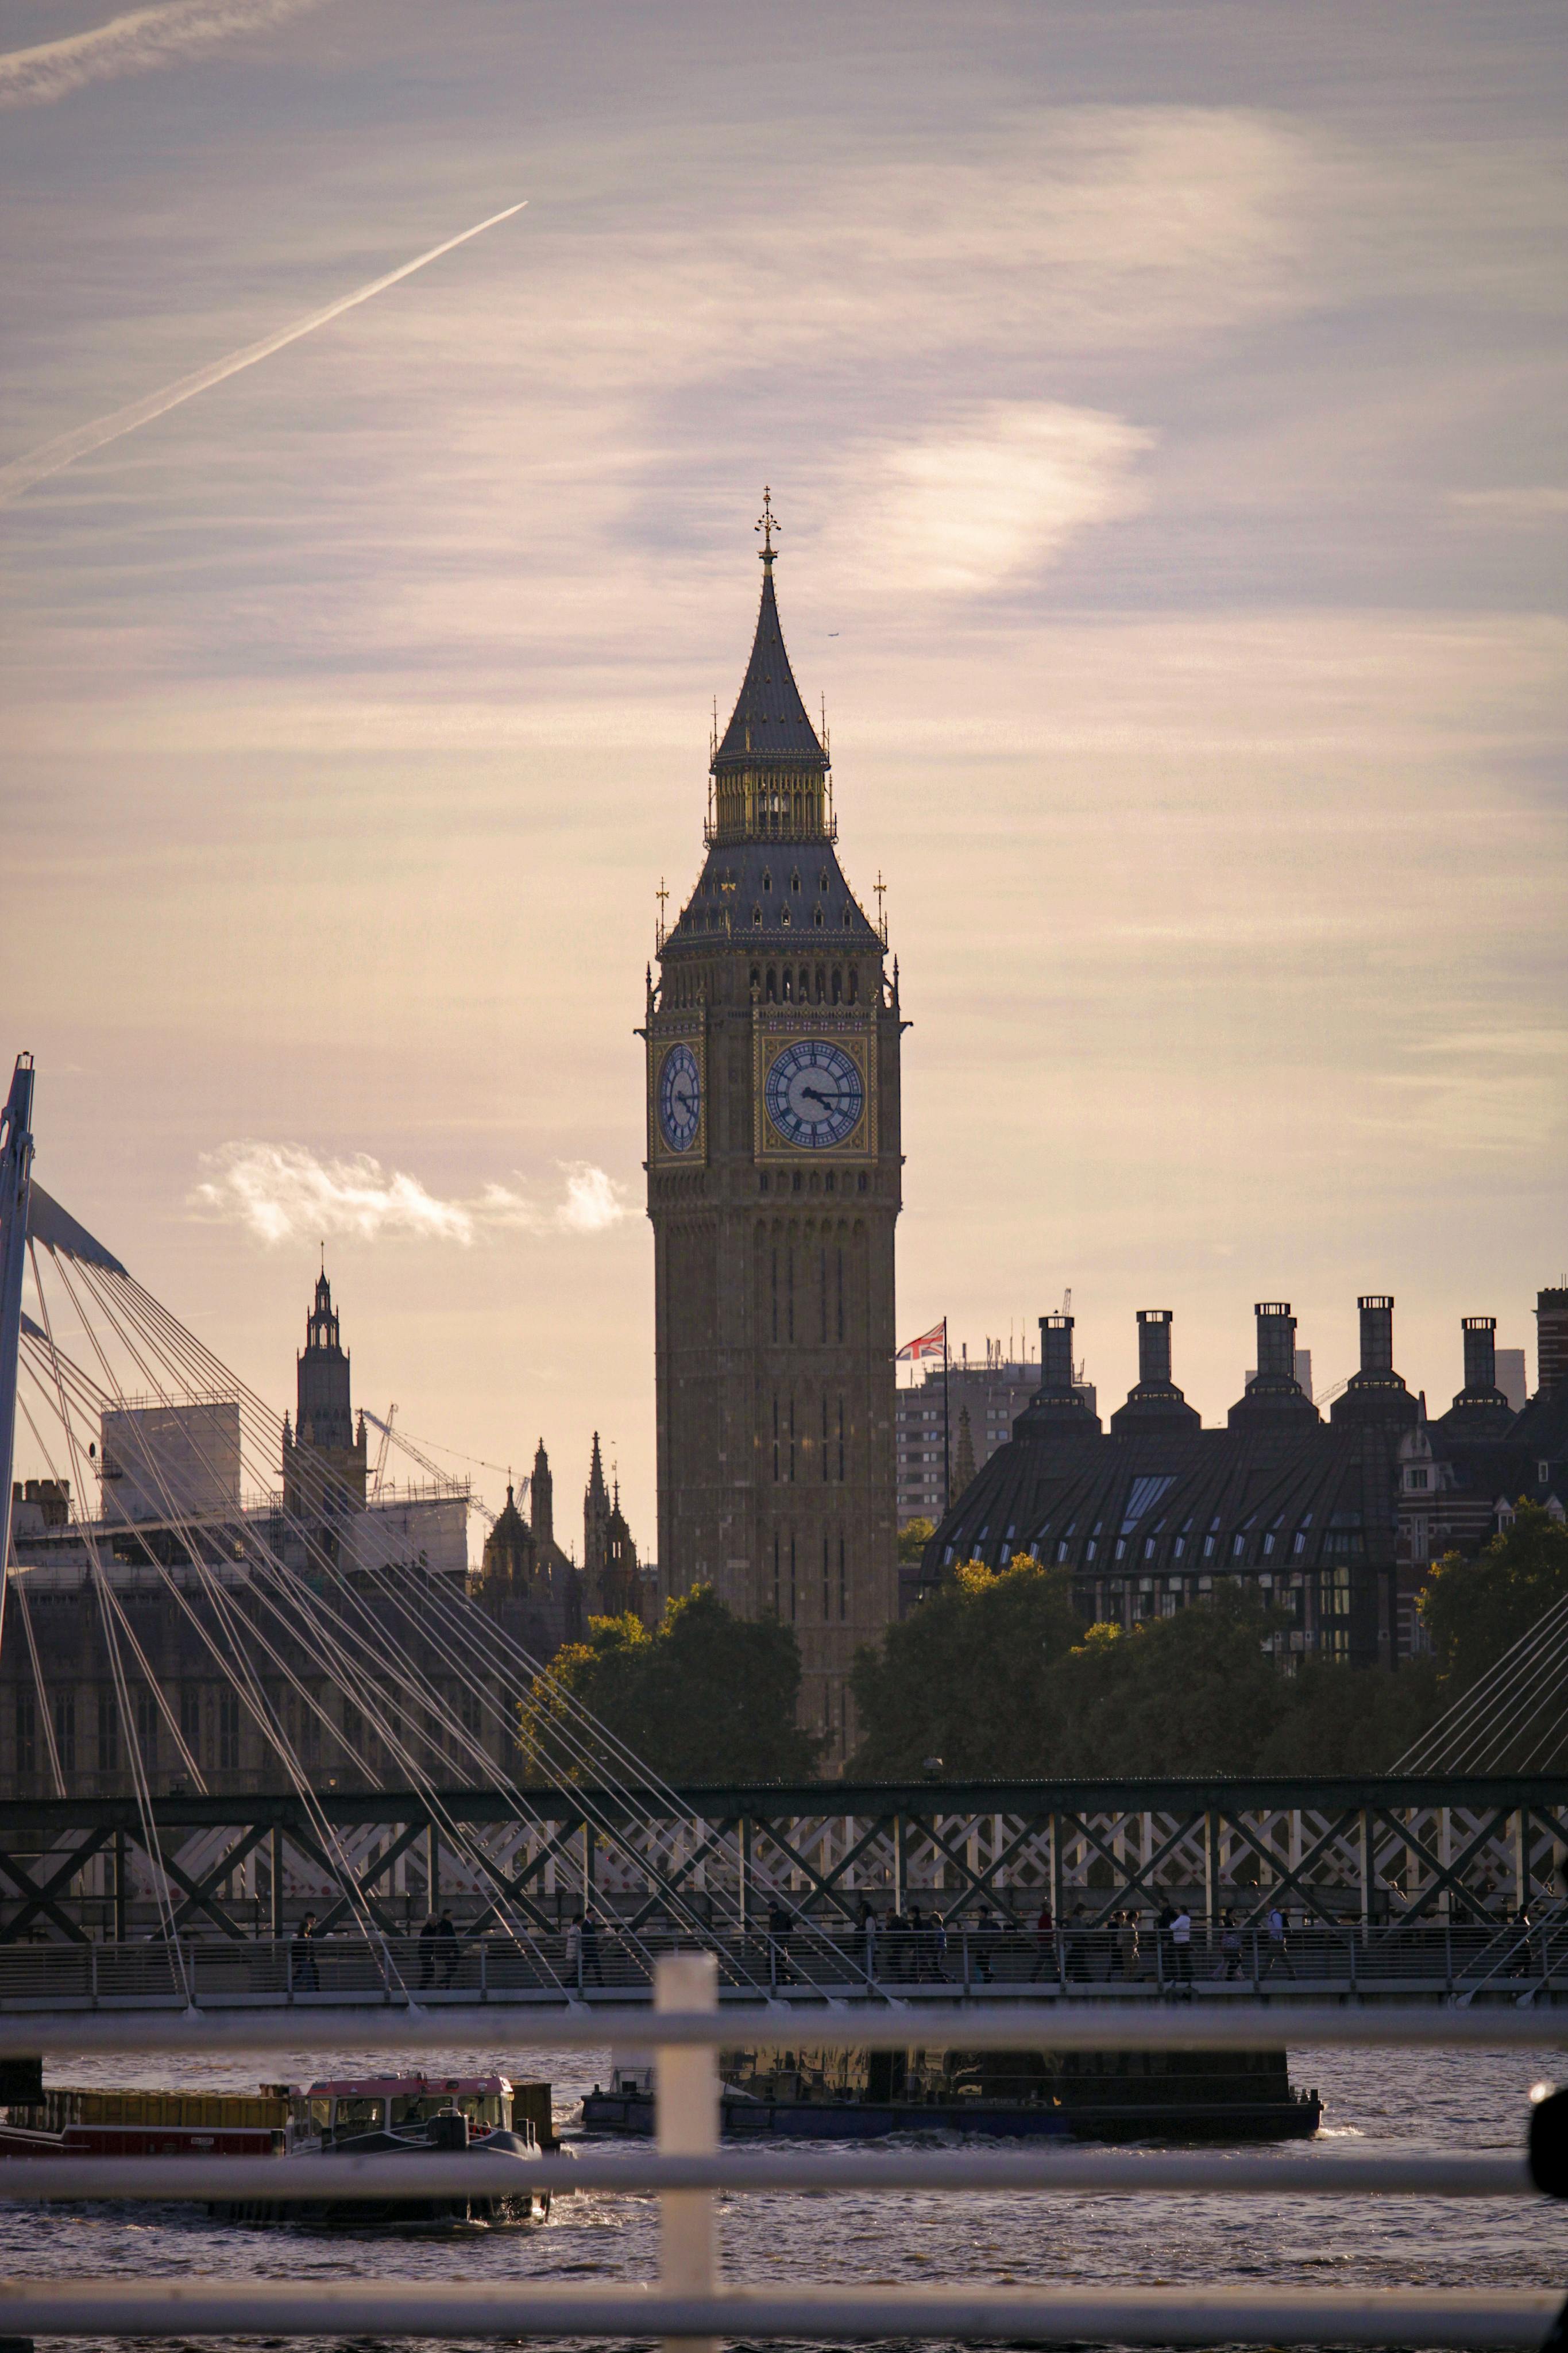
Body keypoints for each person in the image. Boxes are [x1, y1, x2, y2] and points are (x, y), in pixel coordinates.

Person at [1262, 1902, 1294, 1979]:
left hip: (1276, 1941)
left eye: (1266, 1906)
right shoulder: (1274, 1915)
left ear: (1271, 1906)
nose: (1265, 1908)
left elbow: (1279, 1928)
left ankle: (1260, 1977)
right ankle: (1293, 1975)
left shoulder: (1275, 1915)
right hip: (1279, 1941)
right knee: (1285, 1959)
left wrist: (1271, 1932)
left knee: (1268, 1960)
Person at [291, 1911, 319, 1993]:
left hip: (302, 1954)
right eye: (313, 1920)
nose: (314, 1922)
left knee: (308, 1973)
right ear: (309, 1919)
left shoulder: (303, 1927)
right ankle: (291, 1988)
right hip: (304, 1954)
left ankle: (312, 1990)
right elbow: (306, 1937)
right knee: (306, 1974)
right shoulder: (306, 1927)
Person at [1028, 1899, 1056, 1981]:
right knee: (1045, 1961)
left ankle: (1058, 1977)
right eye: (1050, 1907)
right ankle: (1059, 1977)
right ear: (1047, 1909)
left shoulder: (1044, 1918)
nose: (1052, 1909)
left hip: (1045, 1942)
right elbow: (1046, 1931)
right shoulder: (1046, 1918)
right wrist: (1052, 1935)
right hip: (1046, 1943)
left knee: (1049, 1961)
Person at [435, 1908, 461, 1988]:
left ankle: (446, 1985)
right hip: (448, 1951)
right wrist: (452, 1950)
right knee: (452, 1969)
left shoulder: (441, 1924)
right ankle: (442, 1983)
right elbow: (450, 1938)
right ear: (446, 1915)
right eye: (451, 1915)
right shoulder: (448, 1924)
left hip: (444, 1951)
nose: (452, 1917)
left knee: (451, 1969)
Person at [1216, 1910, 1243, 1981]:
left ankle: (1226, 1976)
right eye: (1234, 1913)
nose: (1236, 1914)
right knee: (1235, 1961)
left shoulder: (1232, 1922)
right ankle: (1232, 1977)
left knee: (1228, 1961)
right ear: (1230, 1914)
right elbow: (1230, 1933)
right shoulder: (1229, 1923)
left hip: (1229, 1946)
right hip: (1230, 1946)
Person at [1171, 1904, 1193, 1986]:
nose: (1177, 1911)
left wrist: (1171, 1924)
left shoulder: (1182, 1918)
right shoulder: (1187, 1919)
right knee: (1185, 1959)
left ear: (1181, 1910)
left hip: (1180, 1943)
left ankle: (1185, 1976)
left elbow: (1173, 1927)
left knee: (1182, 1960)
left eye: (1178, 1910)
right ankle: (1188, 1976)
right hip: (1186, 1941)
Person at [418, 1911, 441, 1990]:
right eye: (435, 1919)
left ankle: (422, 1988)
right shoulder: (429, 1929)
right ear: (431, 1920)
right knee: (429, 1970)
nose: (436, 1921)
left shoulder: (429, 1928)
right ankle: (422, 1988)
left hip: (425, 1953)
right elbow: (429, 1940)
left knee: (428, 1970)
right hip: (426, 1953)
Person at [581, 1908, 603, 1986]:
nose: (594, 1916)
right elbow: (587, 1938)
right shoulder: (586, 1925)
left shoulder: (588, 1925)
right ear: (588, 1914)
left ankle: (572, 1984)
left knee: (584, 1969)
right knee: (597, 1969)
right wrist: (596, 1939)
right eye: (593, 1914)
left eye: (595, 1914)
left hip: (590, 1950)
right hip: (590, 1950)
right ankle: (601, 1986)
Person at [859, 1899, 878, 1985]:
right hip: (872, 1941)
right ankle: (870, 1978)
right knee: (867, 1961)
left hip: (870, 1941)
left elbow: (868, 1932)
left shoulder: (869, 1919)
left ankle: (872, 1978)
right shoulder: (873, 1919)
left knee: (866, 1962)